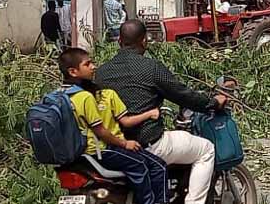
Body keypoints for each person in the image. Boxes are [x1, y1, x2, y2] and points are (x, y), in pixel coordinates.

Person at [96, 20, 225, 204]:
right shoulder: (151, 68)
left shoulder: (101, 72)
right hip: (148, 143)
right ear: (144, 41)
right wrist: (213, 102)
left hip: (113, 146)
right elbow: (182, 94)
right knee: (206, 150)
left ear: (119, 42)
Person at [59, 47, 167, 204]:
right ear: (73, 72)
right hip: (103, 150)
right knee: (156, 166)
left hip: (79, 154)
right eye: (87, 64)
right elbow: (101, 131)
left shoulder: (62, 95)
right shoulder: (86, 97)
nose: (93, 66)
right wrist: (125, 143)